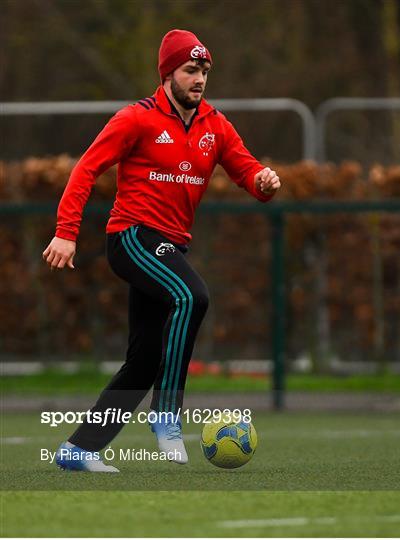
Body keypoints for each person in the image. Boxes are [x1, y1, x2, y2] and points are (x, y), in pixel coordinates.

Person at [42, 29, 281, 473]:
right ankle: (166, 412)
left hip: (168, 247)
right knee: (193, 296)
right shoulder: (136, 118)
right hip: (132, 237)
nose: (199, 79)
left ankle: (79, 449)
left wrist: (263, 182)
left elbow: (247, 170)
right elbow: (87, 168)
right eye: (190, 70)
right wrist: (66, 231)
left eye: (204, 71)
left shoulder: (216, 125)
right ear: (168, 73)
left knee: (144, 360)